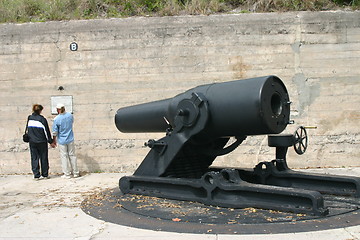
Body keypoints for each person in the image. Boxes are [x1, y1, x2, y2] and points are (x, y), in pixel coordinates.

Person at [27, 104, 55, 180]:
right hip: (42, 141)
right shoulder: (42, 119)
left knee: (34, 158)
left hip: (32, 141)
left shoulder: (30, 118)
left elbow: (27, 130)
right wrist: (50, 141)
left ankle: (36, 175)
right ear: (40, 110)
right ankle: (45, 174)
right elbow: (46, 131)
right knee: (43, 157)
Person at [52, 103, 79, 178]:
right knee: (72, 155)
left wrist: (54, 140)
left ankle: (67, 173)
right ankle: (76, 172)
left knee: (64, 156)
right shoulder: (70, 115)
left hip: (62, 140)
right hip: (70, 138)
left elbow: (55, 132)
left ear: (58, 110)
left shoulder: (56, 119)